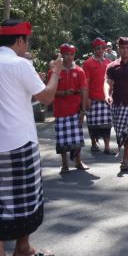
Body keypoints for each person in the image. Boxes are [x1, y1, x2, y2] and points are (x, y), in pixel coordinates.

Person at [0, 20, 62, 256]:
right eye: (26, 40)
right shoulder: (20, 64)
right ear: (19, 41)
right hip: (19, 142)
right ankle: (23, 248)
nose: (27, 45)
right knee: (25, 200)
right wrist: (56, 72)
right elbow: (47, 97)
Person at [105, 37, 128, 171]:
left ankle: (125, 159)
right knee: (120, 132)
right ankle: (127, 152)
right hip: (117, 104)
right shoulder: (112, 66)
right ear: (118, 49)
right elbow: (107, 82)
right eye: (122, 48)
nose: (125, 50)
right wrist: (107, 94)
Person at [51, 43, 89, 173]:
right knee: (62, 139)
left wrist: (83, 110)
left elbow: (84, 90)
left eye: (72, 54)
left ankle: (78, 161)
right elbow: (49, 90)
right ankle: (64, 163)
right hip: (60, 110)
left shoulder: (79, 71)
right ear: (61, 55)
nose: (69, 57)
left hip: (75, 110)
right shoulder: (55, 70)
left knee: (77, 138)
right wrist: (63, 93)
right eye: (66, 54)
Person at [82, 38, 113, 154]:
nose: (100, 50)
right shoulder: (88, 63)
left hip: (105, 99)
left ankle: (107, 147)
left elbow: (111, 81)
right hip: (93, 99)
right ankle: (94, 144)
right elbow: (86, 83)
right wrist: (87, 98)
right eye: (98, 48)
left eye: (102, 48)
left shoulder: (108, 63)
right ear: (94, 49)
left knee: (107, 125)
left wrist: (111, 94)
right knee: (92, 124)